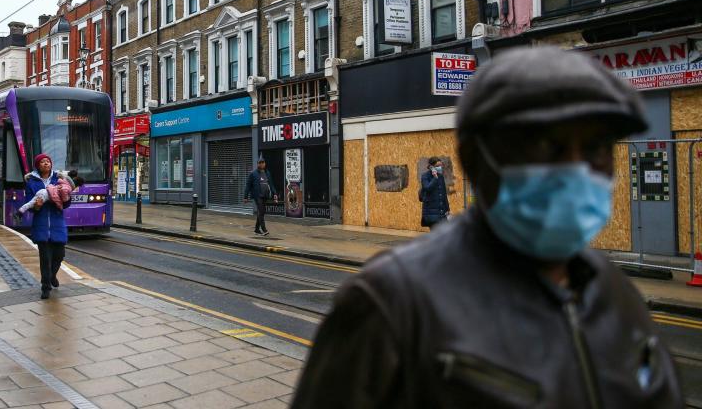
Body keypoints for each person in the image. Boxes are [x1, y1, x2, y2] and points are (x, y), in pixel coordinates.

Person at [291, 46, 683, 408]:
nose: (576, 171)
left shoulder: (616, 293)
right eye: (547, 145)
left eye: (597, 148)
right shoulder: (390, 303)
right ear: (475, 158)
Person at [18, 153, 72, 300]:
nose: (46, 163)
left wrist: (63, 200)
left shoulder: (59, 179)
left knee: (60, 254)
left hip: (57, 223)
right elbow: (29, 204)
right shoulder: (31, 183)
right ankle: (45, 286)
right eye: (42, 162)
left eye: (48, 161)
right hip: (41, 224)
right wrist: (37, 206)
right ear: (38, 165)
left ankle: (53, 275)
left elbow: (67, 202)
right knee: (45, 258)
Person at [243, 156, 277, 237]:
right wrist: (245, 196)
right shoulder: (253, 174)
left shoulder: (267, 173)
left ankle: (256, 229)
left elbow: (271, 184)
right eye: (260, 163)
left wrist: (274, 193)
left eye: (263, 162)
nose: (262, 164)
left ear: (265, 163)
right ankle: (264, 229)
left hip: (265, 195)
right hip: (257, 195)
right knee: (261, 211)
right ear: (257, 164)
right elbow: (248, 186)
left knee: (261, 212)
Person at [420, 156, 450, 228]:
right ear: (431, 166)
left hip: (441, 211)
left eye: (440, 165)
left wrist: (447, 208)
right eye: (437, 166)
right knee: (436, 232)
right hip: (431, 211)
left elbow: (443, 193)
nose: (440, 167)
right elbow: (427, 188)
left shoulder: (441, 176)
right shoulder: (425, 176)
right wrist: (435, 178)